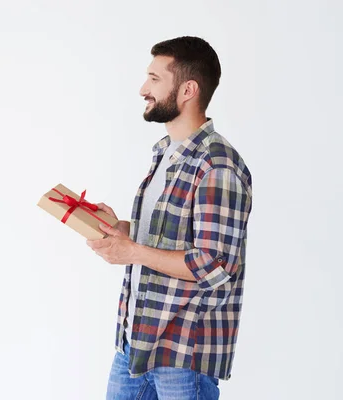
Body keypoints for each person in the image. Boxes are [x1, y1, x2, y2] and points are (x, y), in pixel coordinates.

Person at [86, 36, 253, 400]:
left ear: (187, 89)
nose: (143, 89)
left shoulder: (218, 165)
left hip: (182, 357)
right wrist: (123, 231)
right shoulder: (166, 153)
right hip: (134, 345)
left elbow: (213, 264)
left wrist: (132, 252)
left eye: (154, 79)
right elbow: (171, 236)